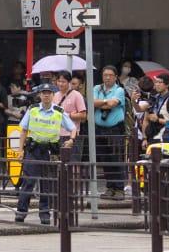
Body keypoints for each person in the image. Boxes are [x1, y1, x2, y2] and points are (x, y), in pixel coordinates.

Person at [15, 83, 75, 225]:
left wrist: (71, 140)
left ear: (53, 95)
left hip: (49, 151)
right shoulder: (33, 109)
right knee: (28, 181)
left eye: (49, 93)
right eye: (44, 93)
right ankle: (21, 212)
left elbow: (72, 128)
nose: (46, 95)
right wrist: (20, 150)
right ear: (40, 95)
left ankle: (45, 214)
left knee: (46, 183)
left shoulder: (59, 111)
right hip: (33, 150)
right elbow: (23, 130)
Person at [91, 65, 128, 197]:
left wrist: (102, 102)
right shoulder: (96, 88)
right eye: (105, 75)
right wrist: (106, 101)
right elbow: (92, 102)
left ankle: (119, 188)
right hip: (99, 129)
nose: (107, 77)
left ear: (116, 77)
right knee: (104, 159)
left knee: (116, 158)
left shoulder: (119, 90)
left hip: (115, 130)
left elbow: (113, 104)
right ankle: (110, 187)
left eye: (110, 75)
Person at [52, 72, 87, 162]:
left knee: (74, 163)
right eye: (59, 81)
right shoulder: (55, 95)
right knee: (59, 163)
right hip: (57, 135)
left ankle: (75, 176)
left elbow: (83, 115)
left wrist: (68, 115)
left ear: (69, 82)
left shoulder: (77, 95)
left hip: (73, 135)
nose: (60, 84)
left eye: (63, 81)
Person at [144, 73, 169, 145]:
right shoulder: (154, 99)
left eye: (160, 82)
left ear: (167, 85)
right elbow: (145, 119)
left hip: (166, 140)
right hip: (152, 138)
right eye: (156, 82)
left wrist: (158, 120)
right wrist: (145, 138)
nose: (157, 84)